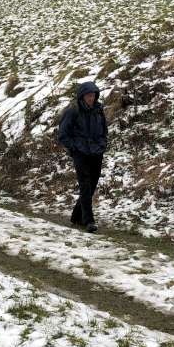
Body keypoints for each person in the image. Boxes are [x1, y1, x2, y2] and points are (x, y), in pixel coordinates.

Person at [58, 81, 109, 233]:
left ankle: (76, 216)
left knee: (92, 185)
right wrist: (75, 148)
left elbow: (104, 130)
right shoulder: (73, 111)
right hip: (81, 154)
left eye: (93, 95)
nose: (91, 98)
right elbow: (63, 134)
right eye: (88, 96)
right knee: (85, 185)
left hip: (96, 152)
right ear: (82, 96)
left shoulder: (99, 110)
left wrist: (102, 144)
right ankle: (89, 220)